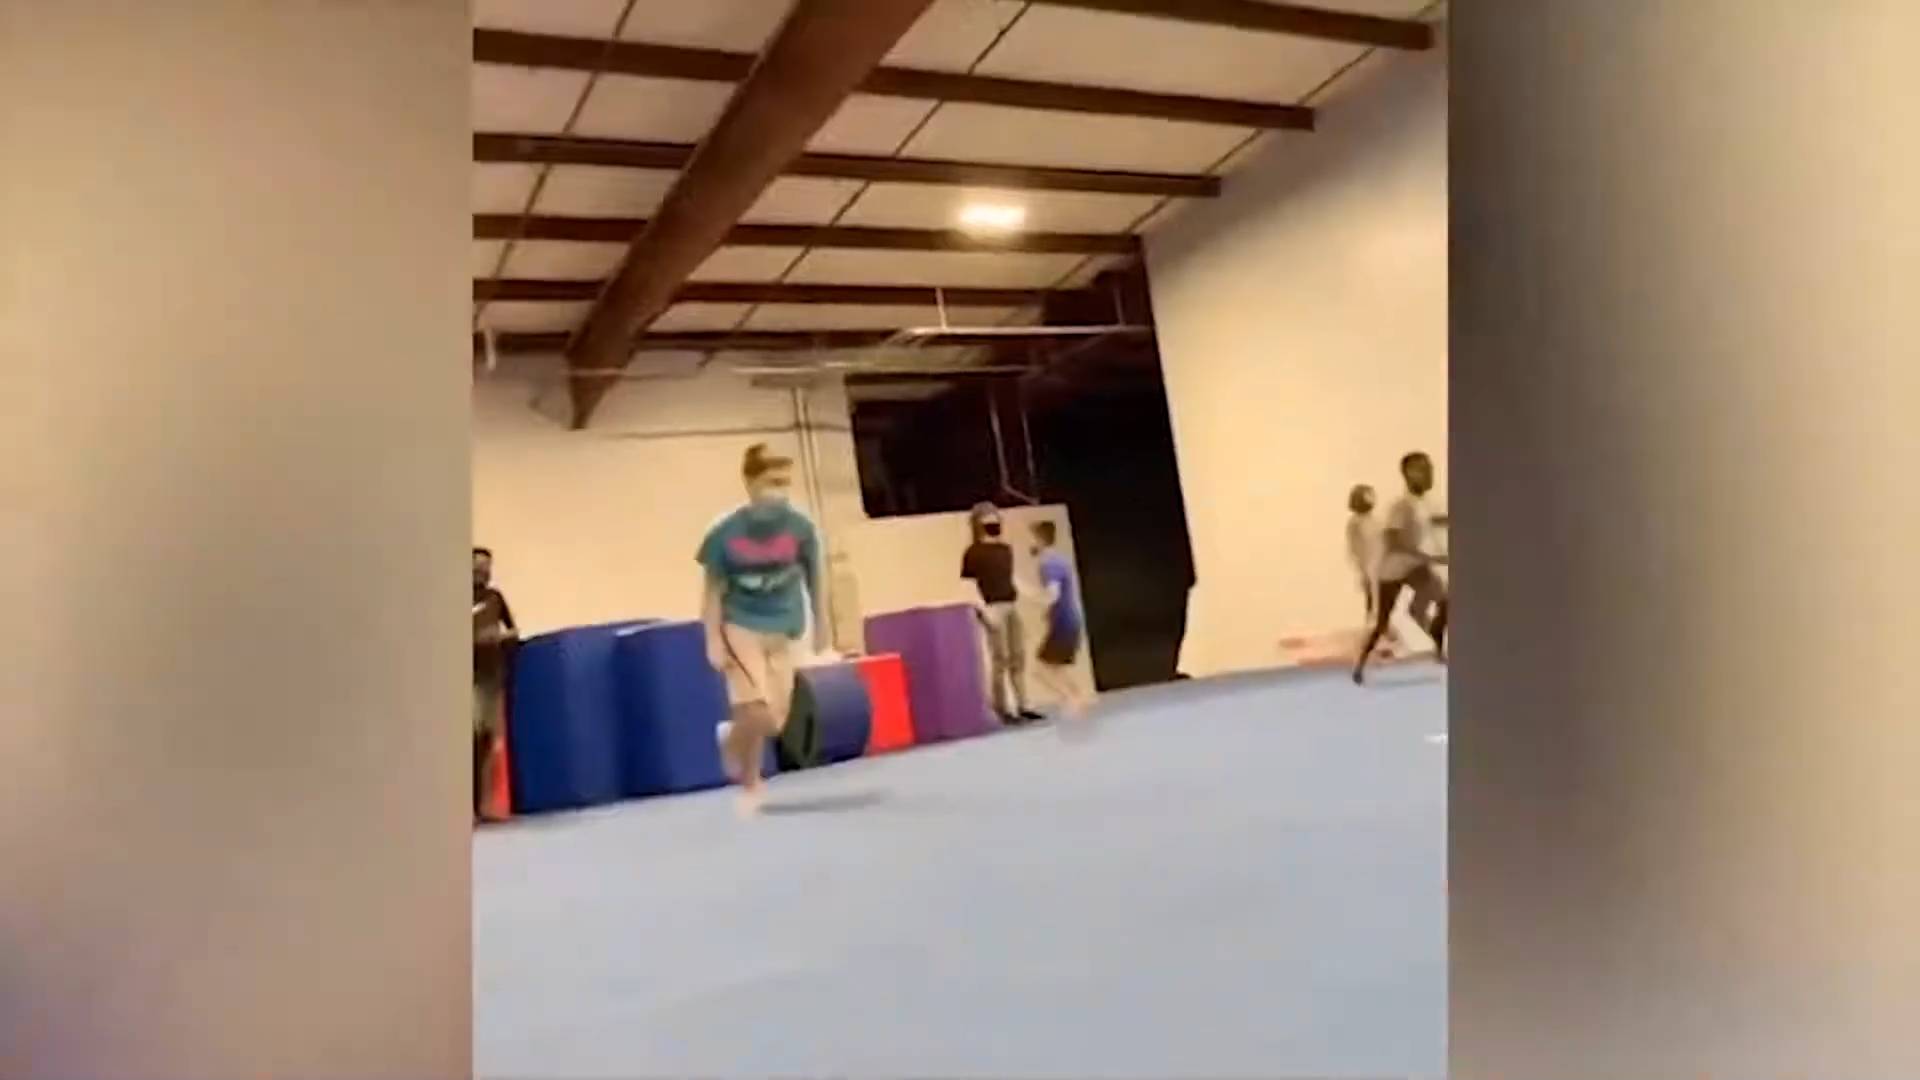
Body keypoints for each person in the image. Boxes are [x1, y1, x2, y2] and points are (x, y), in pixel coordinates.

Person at [698, 444, 826, 816]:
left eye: (785, 483)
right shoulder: (725, 534)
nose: (779, 492)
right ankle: (752, 783)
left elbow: (816, 578)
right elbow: (712, 591)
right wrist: (712, 639)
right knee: (755, 705)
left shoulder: (801, 528)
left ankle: (733, 737)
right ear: (750, 483)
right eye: (771, 483)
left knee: (773, 720)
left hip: (783, 626)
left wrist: (822, 625)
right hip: (740, 624)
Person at [1353, 452, 1449, 685]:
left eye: (1430, 469)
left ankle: (1438, 648)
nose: (1430, 474)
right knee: (1381, 622)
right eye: (1424, 470)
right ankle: (1360, 664)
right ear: (1409, 474)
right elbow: (1393, 540)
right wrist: (1428, 556)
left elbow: (1433, 520)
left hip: (1415, 567)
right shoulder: (1400, 506)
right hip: (1393, 571)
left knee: (1446, 600)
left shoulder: (1424, 503)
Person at [962, 503, 1041, 725]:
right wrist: (982, 609)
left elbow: (1011, 577)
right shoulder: (973, 553)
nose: (993, 522)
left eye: (995, 518)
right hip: (992, 606)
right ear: (978, 523)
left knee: (1018, 656)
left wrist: (1032, 593)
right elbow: (968, 584)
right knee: (1000, 660)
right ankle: (1002, 708)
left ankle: (1023, 704)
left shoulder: (1005, 549)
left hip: (1011, 604)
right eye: (988, 519)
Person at [472, 547, 517, 823]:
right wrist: (478, 640)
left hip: (493, 678)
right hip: (470, 678)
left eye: (486, 566)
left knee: (488, 742)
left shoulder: (495, 598)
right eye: (477, 566)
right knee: (472, 740)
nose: (482, 571)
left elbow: (513, 631)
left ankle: (482, 806)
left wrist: (501, 638)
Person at [1030, 520, 1093, 718]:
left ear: (1040, 540)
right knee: (1054, 667)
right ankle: (1078, 697)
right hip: (1069, 619)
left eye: (1033, 539)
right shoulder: (1060, 560)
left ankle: (1071, 699)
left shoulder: (1048, 564)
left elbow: (1052, 596)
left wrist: (1026, 593)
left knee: (1039, 670)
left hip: (1064, 622)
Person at [1345, 484, 1402, 659]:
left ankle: (1381, 639)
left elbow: (1384, 542)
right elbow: (1356, 549)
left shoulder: (1375, 521)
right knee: (1374, 606)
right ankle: (1376, 642)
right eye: (1367, 496)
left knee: (1381, 605)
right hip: (1370, 570)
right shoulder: (1355, 523)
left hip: (1381, 569)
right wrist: (1363, 569)